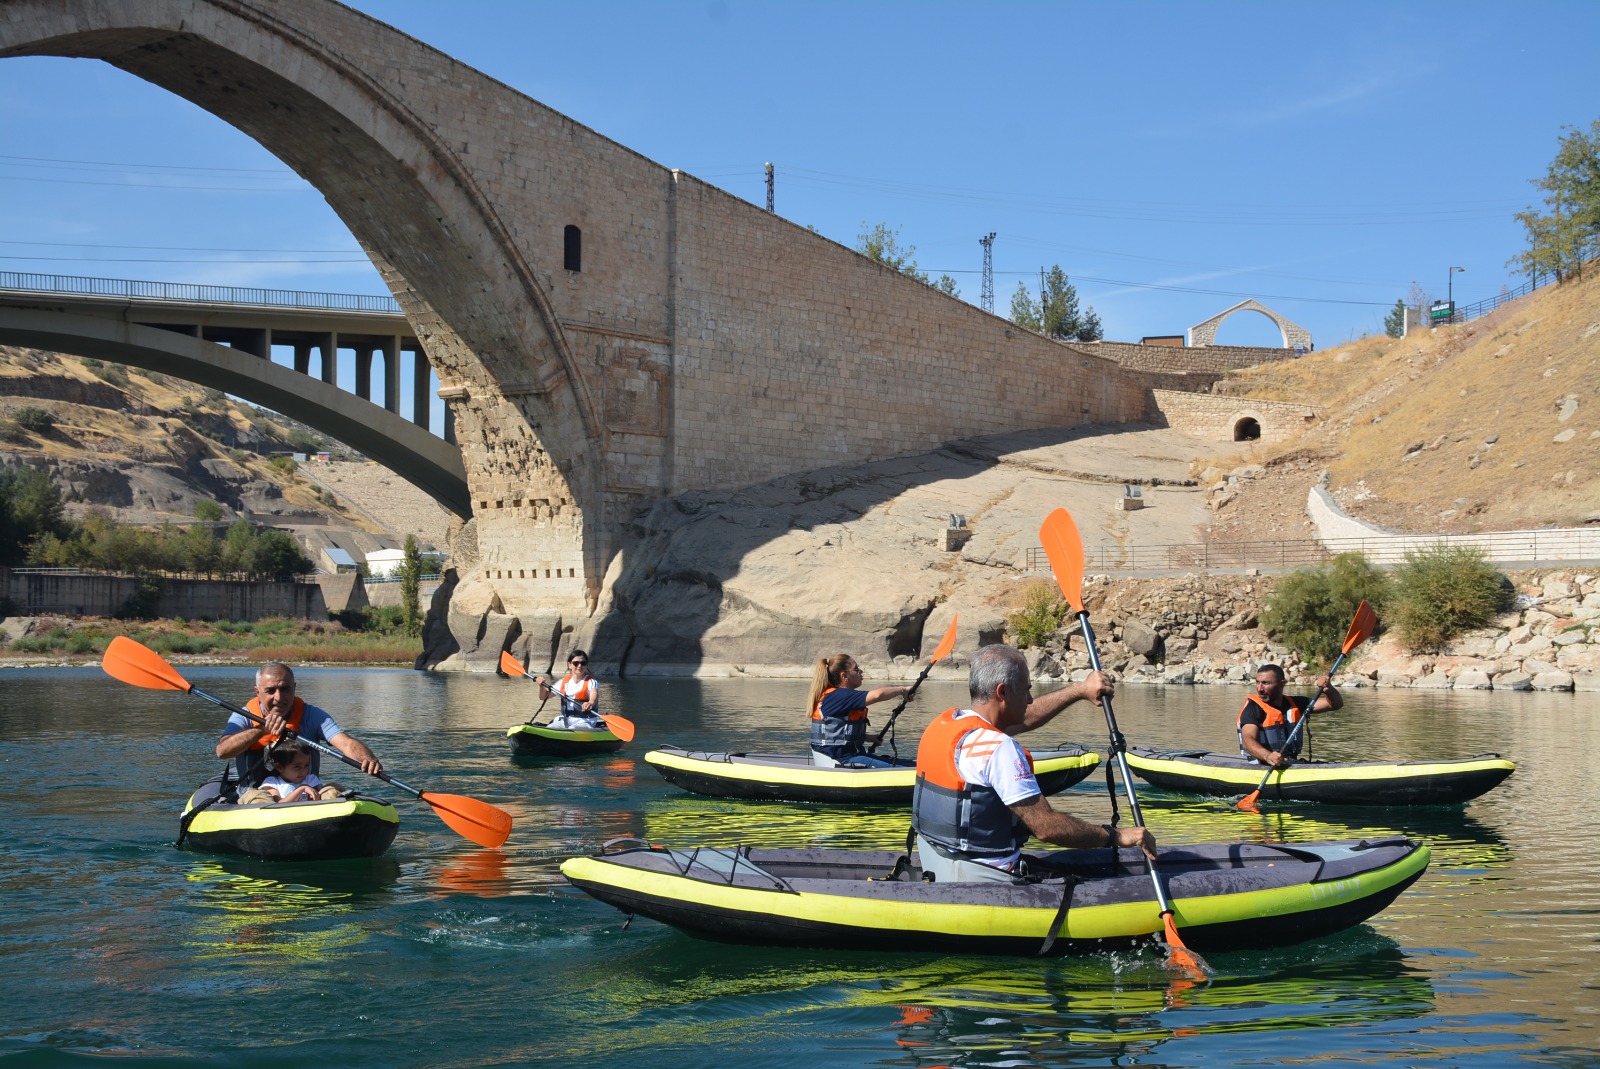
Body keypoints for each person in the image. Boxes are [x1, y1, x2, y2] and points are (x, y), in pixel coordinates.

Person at [912, 644, 1156, 882]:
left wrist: (1080, 690)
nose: (1030, 699)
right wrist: (1116, 836)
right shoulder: (999, 748)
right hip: (987, 878)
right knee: (1098, 880)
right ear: (1002, 692)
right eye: (1026, 690)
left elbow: (1026, 717)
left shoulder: (947, 726)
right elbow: (1046, 828)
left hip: (940, 862)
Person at [215, 661, 383, 786]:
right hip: (257, 795)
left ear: (294, 688)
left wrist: (366, 758)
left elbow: (345, 743)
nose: (279, 698)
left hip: (306, 793)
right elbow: (222, 751)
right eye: (270, 691)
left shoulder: (313, 715)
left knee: (334, 790)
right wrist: (262, 730)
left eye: (285, 689)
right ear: (258, 692)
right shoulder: (243, 717)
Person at [807, 654, 914, 767]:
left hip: (848, 755)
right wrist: (903, 690)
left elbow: (836, 732)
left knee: (911, 764)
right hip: (842, 760)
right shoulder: (839, 696)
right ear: (844, 676)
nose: (861, 672)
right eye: (856, 669)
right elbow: (878, 695)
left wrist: (865, 737)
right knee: (905, 768)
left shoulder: (835, 696)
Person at [1238, 663, 1342, 769]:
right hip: (1261, 764)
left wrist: (1328, 689)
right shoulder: (1253, 707)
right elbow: (1248, 740)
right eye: (1257, 682)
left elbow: (1334, 704)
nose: (1260, 688)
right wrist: (1268, 756)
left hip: (1290, 762)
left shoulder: (1296, 703)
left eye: (1266, 683)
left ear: (1282, 684)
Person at [236, 739, 346, 805]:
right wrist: (301, 789)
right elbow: (279, 804)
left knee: (332, 788)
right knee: (255, 795)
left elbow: (317, 800)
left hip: (308, 816)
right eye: (297, 767)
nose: (303, 771)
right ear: (279, 767)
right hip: (282, 817)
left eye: (306, 765)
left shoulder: (311, 779)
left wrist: (315, 796)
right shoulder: (272, 782)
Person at [538, 650, 604, 730]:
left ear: (586, 665)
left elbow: (594, 694)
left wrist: (590, 703)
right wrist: (541, 686)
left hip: (585, 721)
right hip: (565, 721)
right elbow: (544, 697)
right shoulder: (563, 682)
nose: (579, 666)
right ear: (569, 665)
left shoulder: (591, 682)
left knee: (573, 728)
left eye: (583, 663)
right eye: (576, 663)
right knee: (550, 728)